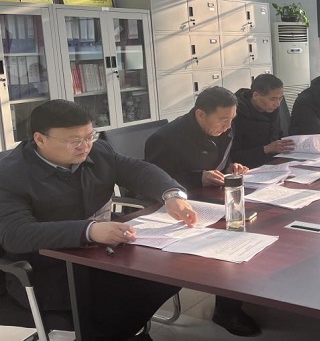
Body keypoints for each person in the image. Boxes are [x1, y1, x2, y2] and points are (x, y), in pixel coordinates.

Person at [0, 100, 197, 340]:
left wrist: (172, 195)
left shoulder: (99, 151)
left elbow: (138, 170)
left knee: (171, 274)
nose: (84, 147)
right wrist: (89, 231)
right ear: (40, 139)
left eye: (89, 136)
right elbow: (16, 234)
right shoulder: (9, 174)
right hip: (47, 269)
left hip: (100, 254)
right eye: (74, 140)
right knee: (118, 299)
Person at [144, 86, 259, 337]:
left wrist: (232, 167)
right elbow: (153, 182)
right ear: (200, 114)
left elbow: (221, 159)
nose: (228, 126)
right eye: (223, 119)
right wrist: (198, 178)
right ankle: (227, 310)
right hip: (178, 209)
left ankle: (243, 292)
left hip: (211, 200)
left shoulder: (224, 127)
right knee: (232, 239)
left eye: (232, 119)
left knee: (248, 225)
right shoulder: (166, 138)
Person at [232, 74, 295, 168]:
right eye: (273, 99)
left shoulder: (272, 110)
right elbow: (233, 156)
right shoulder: (236, 115)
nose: (277, 104)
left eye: (280, 98)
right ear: (256, 95)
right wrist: (266, 149)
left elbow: (278, 136)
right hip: (249, 168)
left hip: (276, 164)